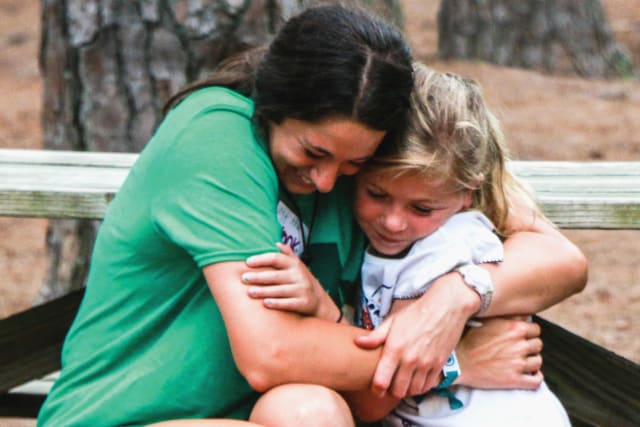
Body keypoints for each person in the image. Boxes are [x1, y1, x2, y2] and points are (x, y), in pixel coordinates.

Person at [37, 5, 586, 427]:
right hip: (124, 417)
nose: (326, 182)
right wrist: (447, 361)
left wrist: (455, 297)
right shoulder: (216, 136)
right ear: (272, 107)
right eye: (312, 153)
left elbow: (556, 256)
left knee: (308, 409)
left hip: (259, 414)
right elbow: (270, 353)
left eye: (355, 163)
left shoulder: (377, 168)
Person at [243, 65, 576, 427]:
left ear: (468, 194)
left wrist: (323, 308)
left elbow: (376, 398)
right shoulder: (414, 228)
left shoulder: (443, 250)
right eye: (376, 194)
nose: (393, 222)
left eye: (421, 208)